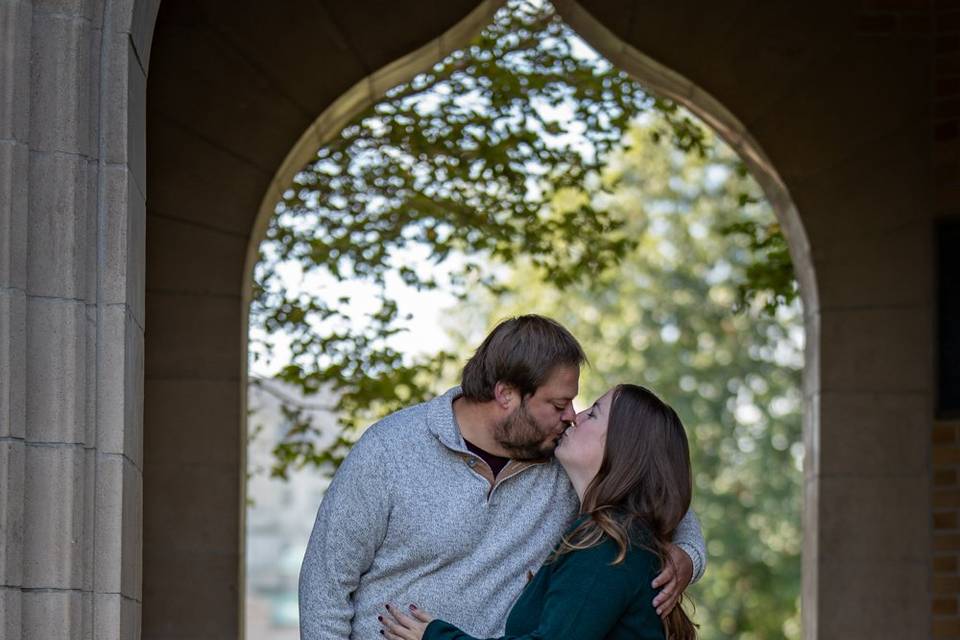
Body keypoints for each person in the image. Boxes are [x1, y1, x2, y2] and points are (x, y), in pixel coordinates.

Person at [299, 315, 705, 639]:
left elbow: (651, 488)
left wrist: (686, 555)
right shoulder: (389, 450)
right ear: (506, 394)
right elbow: (325, 589)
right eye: (559, 403)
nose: (571, 416)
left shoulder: (563, 457)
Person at [378, 384, 697, 640]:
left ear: (624, 447)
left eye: (594, 414)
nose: (576, 417)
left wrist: (435, 636)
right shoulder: (614, 535)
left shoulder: (610, 545)